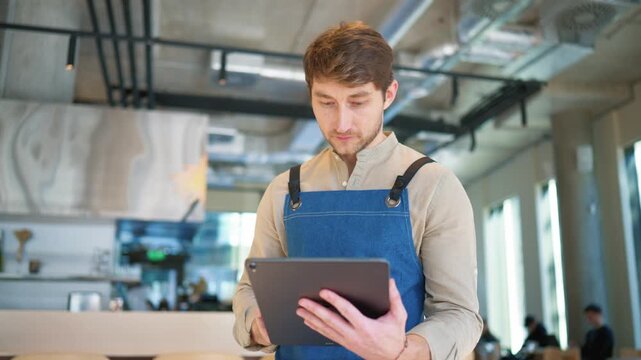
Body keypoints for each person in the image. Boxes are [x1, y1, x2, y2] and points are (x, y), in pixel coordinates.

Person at [232, 21, 482, 360]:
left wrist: (404, 351)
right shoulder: (283, 190)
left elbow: (460, 314)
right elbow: (249, 290)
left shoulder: (433, 185)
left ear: (388, 94)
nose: (341, 123)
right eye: (326, 102)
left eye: (358, 101)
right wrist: (259, 325)